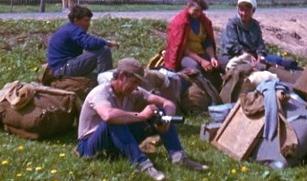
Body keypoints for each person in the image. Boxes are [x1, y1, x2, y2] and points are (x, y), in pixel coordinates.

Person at [76, 58, 208, 181]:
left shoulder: (132, 91)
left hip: (115, 141)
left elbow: (168, 104)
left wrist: (165, 120)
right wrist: (141, 116)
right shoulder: (100, 92)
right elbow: (108, 115)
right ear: (121, 76)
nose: (135, 87)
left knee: (159, 113)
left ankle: (178, 156)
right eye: (134, 82)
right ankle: (142, 164)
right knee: (114, 120)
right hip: (90, 146)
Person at [46, 5, 119, 80]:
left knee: (95, 77)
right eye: (86, 20)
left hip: (60, 68)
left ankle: (105, 78)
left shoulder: (69, 28)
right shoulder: (73, 30)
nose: (89, 24)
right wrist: (107, 43)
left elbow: (89, 40)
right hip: (62, 68)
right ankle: (107, 83)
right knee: (103, 51)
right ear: (76, 20)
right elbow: (89, 44)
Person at [164, 0, 220, 75]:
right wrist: (202, 61)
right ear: (188, 7)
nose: (198, 14)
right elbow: (182, 48)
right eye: (196, 10)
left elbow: (207, 42)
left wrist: (212, 57)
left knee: (219, 65)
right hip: (186, 56)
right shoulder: (179, 23)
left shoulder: (202, 21)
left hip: (201, 52)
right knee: (194, 67)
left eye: (200, 11)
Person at [220, 0, 267, 68]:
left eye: (247, 10)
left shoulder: (255, 25)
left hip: (252, 56)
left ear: (253, 11)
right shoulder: (232, 24)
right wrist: (246, 55)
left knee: (275, 62)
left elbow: (260, 44)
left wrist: (260, 55)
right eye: (241, 10)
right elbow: (231, 45)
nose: (244, 13)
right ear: (238, 10)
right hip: (233, 55)